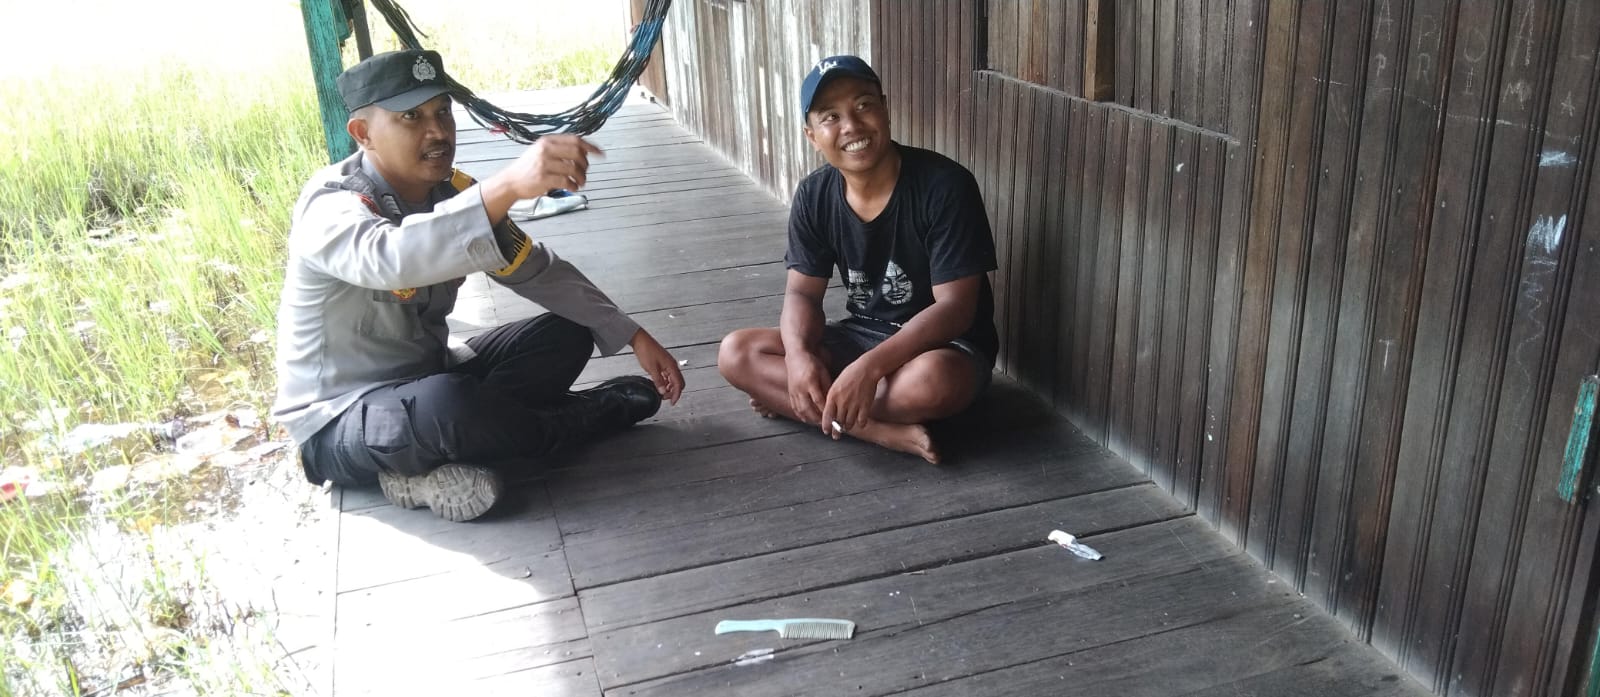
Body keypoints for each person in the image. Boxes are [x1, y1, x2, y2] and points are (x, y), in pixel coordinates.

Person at [273, 49, 684, 522]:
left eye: (442, 112)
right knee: (450, 407)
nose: (437, 132)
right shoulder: (331, 206)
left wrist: (632, 333)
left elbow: (537, 270)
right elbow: (391, 259)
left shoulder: (453, 194)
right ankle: (579, 418)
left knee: (569, 331)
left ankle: (435, 463)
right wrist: (506, 186)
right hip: (340, 419)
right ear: (363, 134)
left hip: (431, 376)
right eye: (411, 117)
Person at [717, 55, 998, 465]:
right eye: (830, 116)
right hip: (862, 333)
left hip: (942, 348)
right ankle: (876, 431)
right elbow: (802, 294)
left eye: (864, 105)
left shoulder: (945, 186)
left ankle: (804, 405)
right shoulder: (814, 195)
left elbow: (955, 309)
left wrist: (867, 370)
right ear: (812, 136)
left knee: (932, 383)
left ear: (885, 108)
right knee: (736, 352)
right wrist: (797, 360)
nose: (851, 125)